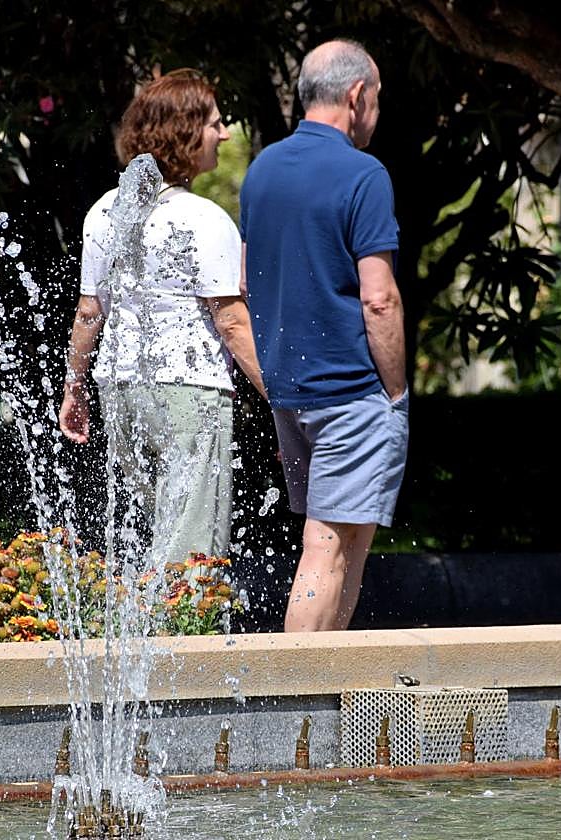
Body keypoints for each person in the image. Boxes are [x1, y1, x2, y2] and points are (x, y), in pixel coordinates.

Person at [59, 71, 265, 565]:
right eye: (215, 123)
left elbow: (90, 312)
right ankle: (184, 638)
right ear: (185, 132)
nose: (225, 133)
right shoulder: (206, 218)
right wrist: (281, 402)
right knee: (191, 552)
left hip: (120, 392)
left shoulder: (103, 211)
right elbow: (232, 323)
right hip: (189, 395)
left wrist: (74, 388)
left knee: (159, 537)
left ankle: (148, 638)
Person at [239, 39, 407, 632]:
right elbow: (379, 298)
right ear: (357, 95)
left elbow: (244, 277)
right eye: (378, 99)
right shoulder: (364, 175)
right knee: (327, 547)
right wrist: (394, 392)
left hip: (291, 392)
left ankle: (331, 700)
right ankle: (295, 705)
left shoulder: (261, 172)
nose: (377, 112)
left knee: (349, 544)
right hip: (350, 392)